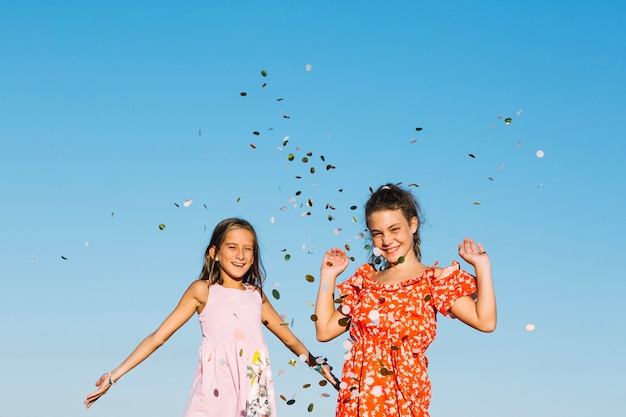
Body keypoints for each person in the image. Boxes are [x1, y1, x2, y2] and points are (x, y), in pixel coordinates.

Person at [85, 217, 338, 417]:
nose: (240, 255)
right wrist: (113, 375)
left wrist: (320, 368)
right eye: (232, 247)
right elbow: (157, 338)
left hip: (255, 387)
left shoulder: (255, 296)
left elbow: (291, 341)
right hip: (217, 391)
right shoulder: (202, 290)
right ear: (214, 253)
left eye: (247, 249)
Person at [314, 184, 496, 417]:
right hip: (358, 405)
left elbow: (485, 321)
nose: (387, 240)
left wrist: (483, 267)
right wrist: (327, 277)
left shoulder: (433, 281)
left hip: (405, 403)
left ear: (412, 224)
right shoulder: (365, 282)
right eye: (377, 234)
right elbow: (325, 330)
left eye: (394, 229)